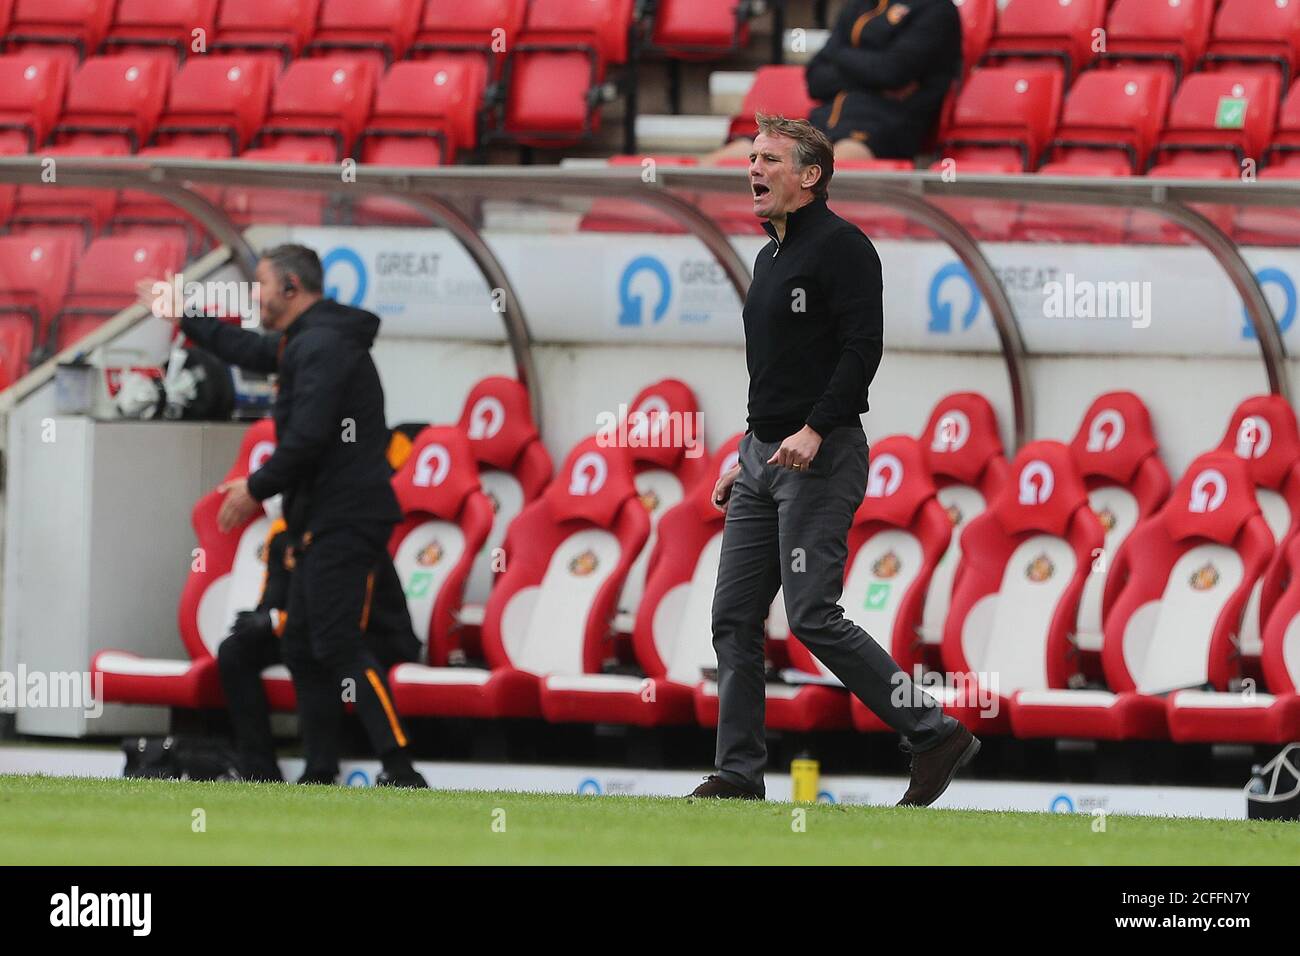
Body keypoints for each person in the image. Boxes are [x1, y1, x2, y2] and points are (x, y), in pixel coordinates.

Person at [689, 114, 979, 807]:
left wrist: (816, 430)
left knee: (812, 613)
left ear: (811, 175)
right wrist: (742, 452)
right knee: (732, 616)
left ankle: (932, 730)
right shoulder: (769, 254)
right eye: (751, 157)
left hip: (820, 456)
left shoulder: (844, 247)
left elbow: (861, 350)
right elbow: (776, 371)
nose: (752, 169)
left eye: (768, 159)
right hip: (763, 458)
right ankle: (738, 774)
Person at [144, 244, 427, 787]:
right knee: (300, 644)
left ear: (292, 288)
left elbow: (309, 438)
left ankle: (401, 768)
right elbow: (247, 348)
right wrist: (184, 314)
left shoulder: (322, 345)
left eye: (264, 285)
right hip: (320, 518)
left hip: (346, 518)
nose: (257, 295)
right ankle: (319, 772)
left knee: (337, 642)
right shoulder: (311, 340)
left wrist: (255, 487)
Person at [218, 499, 421, 783]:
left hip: (377, 637)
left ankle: (373, 767)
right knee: (235, 651)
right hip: (312, 632)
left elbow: (351, 617)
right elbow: (274, 598)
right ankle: (259, 769)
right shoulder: (282, 536)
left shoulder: (351, 536)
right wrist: (264, 619)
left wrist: (279, 621)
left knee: (325, 648)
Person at [704, 0, 962, 164]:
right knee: (733, 156)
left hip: (886, 128)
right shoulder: (858, 6)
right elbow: (816, 79)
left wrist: (839, 56)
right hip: (822, 122)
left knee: (826, 166)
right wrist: (871, 70)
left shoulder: (937, 9)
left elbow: (892, 71)